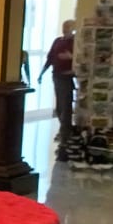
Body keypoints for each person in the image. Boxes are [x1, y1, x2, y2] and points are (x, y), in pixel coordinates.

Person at [38, 20, 76, 158]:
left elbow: (80, 59)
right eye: (64, 27)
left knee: (65, 107)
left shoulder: (75, 42)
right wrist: (41, 73)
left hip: (67, 77)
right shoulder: (57, 41)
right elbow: (50, 58)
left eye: (68, 27)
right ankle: (66, 130)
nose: (65, 29)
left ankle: (65, 136)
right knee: (59, 108)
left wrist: (71, 57)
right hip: (57, 76)